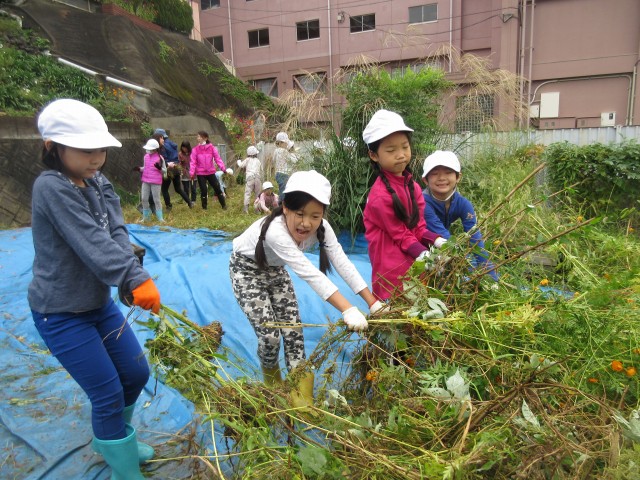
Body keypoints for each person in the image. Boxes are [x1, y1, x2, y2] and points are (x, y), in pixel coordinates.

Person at [29, 99, 162, 479]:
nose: (96, 158)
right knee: (106, 392)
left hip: (96, 305)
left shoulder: (98, 182)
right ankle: (122, 467)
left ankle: (116, 440)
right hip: (60, 312)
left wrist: (131, 273)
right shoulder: (51, 187)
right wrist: (133, 278)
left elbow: (116, 232)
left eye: (100, 149)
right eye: (86, 150)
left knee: (136, 375)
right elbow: (91, 242)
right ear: (53, 146)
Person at [229, 170, 386, 407]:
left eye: (315, 216)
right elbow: (310, 273)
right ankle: (273, 385)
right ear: (285, 208)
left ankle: (302, 399)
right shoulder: (275, 231)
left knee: (294, 333)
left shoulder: (322, 228)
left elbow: (342, 263)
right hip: (247, 270)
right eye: (300, 214)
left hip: (276, 271)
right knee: (270, 336)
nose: (306, 223)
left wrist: (372, 303)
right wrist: (347, 309)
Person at [362, 109, 446, 301]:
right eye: (391, 150)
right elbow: (399, 234)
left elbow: (418, 226)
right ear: (374, 155)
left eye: (405, 147)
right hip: (391, 270)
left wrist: (437, 240)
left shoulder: (412, 186)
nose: (400, 155)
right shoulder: (379, 197)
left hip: (411, 262)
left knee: (417, 311)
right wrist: (423, 253)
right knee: (396, 314)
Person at [422, 150, 499, 281]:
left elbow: (474, 238)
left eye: (448, 173)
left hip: (443, 245)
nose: (441, 178)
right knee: (465, 264)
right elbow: (443, 237)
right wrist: (465, 261)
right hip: (422, 248)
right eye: (435, 174)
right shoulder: (422, 202)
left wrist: (491, 275)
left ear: (458, 177)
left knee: (474, 263)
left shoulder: (463, 204)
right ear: (425, 180)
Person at [154, 130, 193, 210]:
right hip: (176, 167)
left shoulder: (162, 146)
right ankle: (189, 202)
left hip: (168, 168)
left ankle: (169, 206)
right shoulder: (172, 143)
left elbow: (164, 158)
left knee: (164, 189)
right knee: (178, 188)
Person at [190, 130, 228, 210]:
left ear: (205, 138)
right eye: (198, 137)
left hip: (211, 172)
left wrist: (223, 168)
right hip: (200, 173)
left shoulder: (212, 148)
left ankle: (224, 205)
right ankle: (204, 208)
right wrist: (192, 172)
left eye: (200, 137)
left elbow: (218, 159)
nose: (198, 138)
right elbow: (193, 162)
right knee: (203, 190)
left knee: (217, 188)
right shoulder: (195, 150)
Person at [137, 138, 165, 222]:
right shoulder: (146, 157)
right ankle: (146, 217)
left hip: (156, 182)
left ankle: (160, 218)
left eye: (149, 149)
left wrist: (159, 168)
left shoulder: (160, 158)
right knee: (144, 199)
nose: (148, 150)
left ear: (154, 149)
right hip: (146, 180)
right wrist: (139, 169)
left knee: (156, 199)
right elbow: (145, 168)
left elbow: (165, 171)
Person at [237, 145, 262, 214]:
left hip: (250, 178)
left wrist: (238, 160)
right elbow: (261, 169)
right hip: (257, 178)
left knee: (247, 193)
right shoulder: (258, 160)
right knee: (258, 194)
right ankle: (257, 210)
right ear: (256, 154)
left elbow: (241, 165)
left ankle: (246, 210)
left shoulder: (247, 160)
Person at [273, 131, 297, 202]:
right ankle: (282, 206)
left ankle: (281, 205)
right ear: (280, 143)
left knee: (281, 189)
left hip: (278, 173)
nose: (287, 144)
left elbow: (273, 160)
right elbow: (294, 161)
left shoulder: (276, 151)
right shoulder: (285, 151)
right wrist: (293, 153)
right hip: (284, 174)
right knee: (284, 191)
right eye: (285, 143)